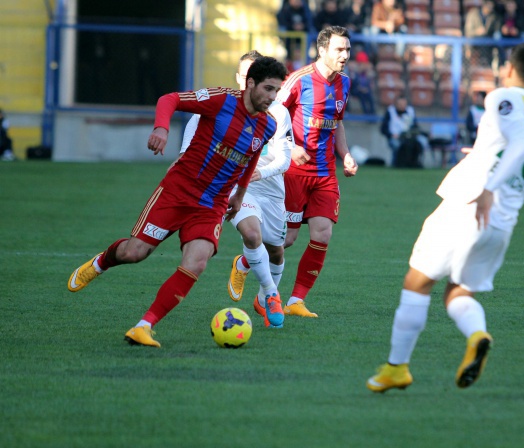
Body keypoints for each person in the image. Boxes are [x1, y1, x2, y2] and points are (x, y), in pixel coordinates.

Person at [367, 42, 524, 392]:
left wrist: (489, 186)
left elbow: (518, 144)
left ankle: (397, 367)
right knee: (457, 292)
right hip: (503, 223)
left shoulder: (502, 96)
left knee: (417, 282)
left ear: (508, 70)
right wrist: (489, 155)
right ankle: (477, 335)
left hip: (469, 204)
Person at [67, 57, 289, 347]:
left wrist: (240, 194)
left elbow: (250, 159)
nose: (272, 97)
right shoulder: (221, 99)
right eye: (268, 89)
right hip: (178, 192)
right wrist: (161, 128)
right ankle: (102, 262)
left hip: (212, 205)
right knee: (135, 253)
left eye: (276, 91)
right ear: (250, 83)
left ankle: (144, 326)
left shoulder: (267, 125)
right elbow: (169, 99)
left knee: (196, 263)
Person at [178, 51, 293, 329]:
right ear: (242, 78)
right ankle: (272, 295)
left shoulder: (278, 112)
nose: (247, 81)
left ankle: (253, 283)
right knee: (252, 235)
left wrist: (260, 172)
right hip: (233, 186)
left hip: (271, 189)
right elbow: (186, 151)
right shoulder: (218, 106)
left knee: (277, 251)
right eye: (244, 76)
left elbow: (284, 160)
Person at [277, 25, 358, 318]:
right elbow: (271, 116)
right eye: (339, 49)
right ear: (322, 50)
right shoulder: (298, 80)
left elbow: (337, 123)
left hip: (325, 174)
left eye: (347, 49)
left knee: (322, 235)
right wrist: (290, 147)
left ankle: (295, 301)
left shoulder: (345, 83)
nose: (345, 55)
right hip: (294, 172)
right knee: (287, 239)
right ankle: (246, 263)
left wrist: (345, 154)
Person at [380, 95, 420, 167]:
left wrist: (412, 133)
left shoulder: (410, 111)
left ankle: (414, 163)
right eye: (400, 104)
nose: (402, 106)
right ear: (396, 104)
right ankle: (396, 164)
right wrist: (391, 135)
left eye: (404, 104)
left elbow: (415, 126)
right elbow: (383, 129)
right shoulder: (390, 111)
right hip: (395, 137)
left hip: (409, 137)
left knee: (421, 142)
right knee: (396, 144)